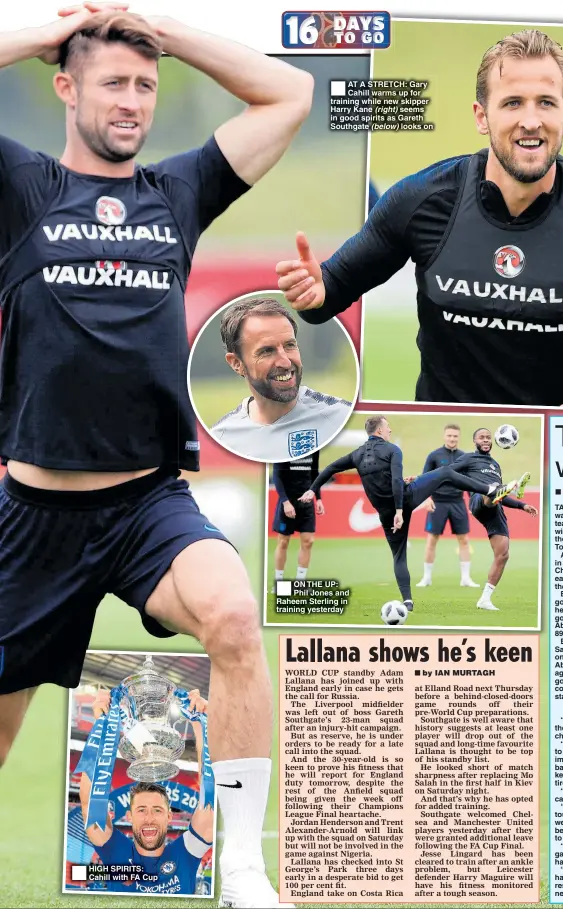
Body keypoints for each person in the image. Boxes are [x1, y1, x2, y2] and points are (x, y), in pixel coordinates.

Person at [0, 7, 313, 907]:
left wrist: (162, 33)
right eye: (112, 82)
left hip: (147, 505)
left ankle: (246, 873)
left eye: (145, 85)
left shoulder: (176, 193)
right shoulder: (26, 188)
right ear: (67, 90)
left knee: (232, 617)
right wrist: (45, 33)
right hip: (32, 518)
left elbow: (289, 92)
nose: (132, 100)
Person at [276, 28, 563, 409]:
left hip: (554, 449)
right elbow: (329, 292)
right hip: (442, 439)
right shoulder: (423, 200)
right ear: (481, 116)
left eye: (546, 102)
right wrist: (315, 294)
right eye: (513, 103)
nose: (531, 120)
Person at [299, 416, 522, 612]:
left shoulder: (357, 454)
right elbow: (396, 480)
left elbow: (329, 469)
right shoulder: (393, 449)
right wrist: (400, 510)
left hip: (386, 513)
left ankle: (407, 601)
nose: (390, 431)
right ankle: (490, 490)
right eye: (387, 428)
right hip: (404, 501)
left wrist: (312, 489)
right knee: (445, 473)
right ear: (379, 431)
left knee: (398, 556)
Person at [80, 689, 213, 895]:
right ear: (130, 816)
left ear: (169, 816)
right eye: (141, 810)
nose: (149, 818)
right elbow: (91, 802)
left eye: (157, 810)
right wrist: (103, 727)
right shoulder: (116, 853)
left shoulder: (185, 854)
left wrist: (200, 723)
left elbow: (209, 807)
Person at [211, 297, 353, 461]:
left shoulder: (340, 416)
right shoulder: (222, 437)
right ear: (237, 363)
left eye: (289, 345)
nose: (285, 362)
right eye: (267, 351)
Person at [453, 428, 538, 611]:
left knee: (503, 554)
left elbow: (501, 495)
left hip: (494, 506)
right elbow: (447, 472)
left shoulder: (495, 465)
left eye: (488, 437)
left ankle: (485, 599)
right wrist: (421, 480)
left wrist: (521, 505)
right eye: (481, 437)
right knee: (492, 490)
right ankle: (498, 491)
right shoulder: (468, 459)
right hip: (478, 499)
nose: (485, 440)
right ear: (474, 441)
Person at [416, 424, 479, 589]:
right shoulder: (434, 456)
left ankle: (465, 578)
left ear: (459, 437)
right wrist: (426, 498)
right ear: (445, 436)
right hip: (437, 503)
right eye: (449, 435)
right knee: (432, 539)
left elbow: (470, 483)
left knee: (464, 539)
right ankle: (426, 578)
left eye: (455, 436)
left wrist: (472, 502)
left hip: (458, 502)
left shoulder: (465, 457)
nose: (452, 438)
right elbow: (424, 479)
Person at [272, 451, 324, 588]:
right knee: (283, 542)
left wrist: (318, 498)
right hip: (288, 501)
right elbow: (277, 475)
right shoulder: (285, 447)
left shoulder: (314, 447)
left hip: (306, 501)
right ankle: (279, 583)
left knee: (308, 541)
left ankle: (300, 582)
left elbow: (314, 473)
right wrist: (285, 502)